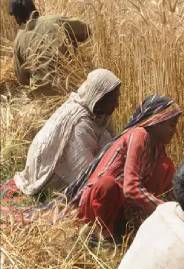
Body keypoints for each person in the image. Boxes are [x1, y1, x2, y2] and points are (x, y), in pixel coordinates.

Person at [66, 95, 182, 240]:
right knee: (107, 185)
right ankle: (101, 233)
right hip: (99, 204)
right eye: (172, 124)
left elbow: (171, 191)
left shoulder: (158, 150)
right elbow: (131, 188)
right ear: (156, 121)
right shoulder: (139, 135)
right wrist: (165, 210)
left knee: (166, 167)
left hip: (121, 207)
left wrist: (182, 213)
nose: (174, 131)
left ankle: (121, 229)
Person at [0, 68, 121, 203]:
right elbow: (85, 172)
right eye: (113, 100)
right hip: (47, 173)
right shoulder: (79, 124)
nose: (117, 104)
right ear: (99, 97)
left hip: (68, 163)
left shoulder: (97, 113)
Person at [8, 0, 91, 86]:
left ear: (17, 17)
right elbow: (86, 29)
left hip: (38, 93)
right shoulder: (54, 20)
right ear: (33, 7)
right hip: (67, 84)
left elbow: (21, 78)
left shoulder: (18, 39)